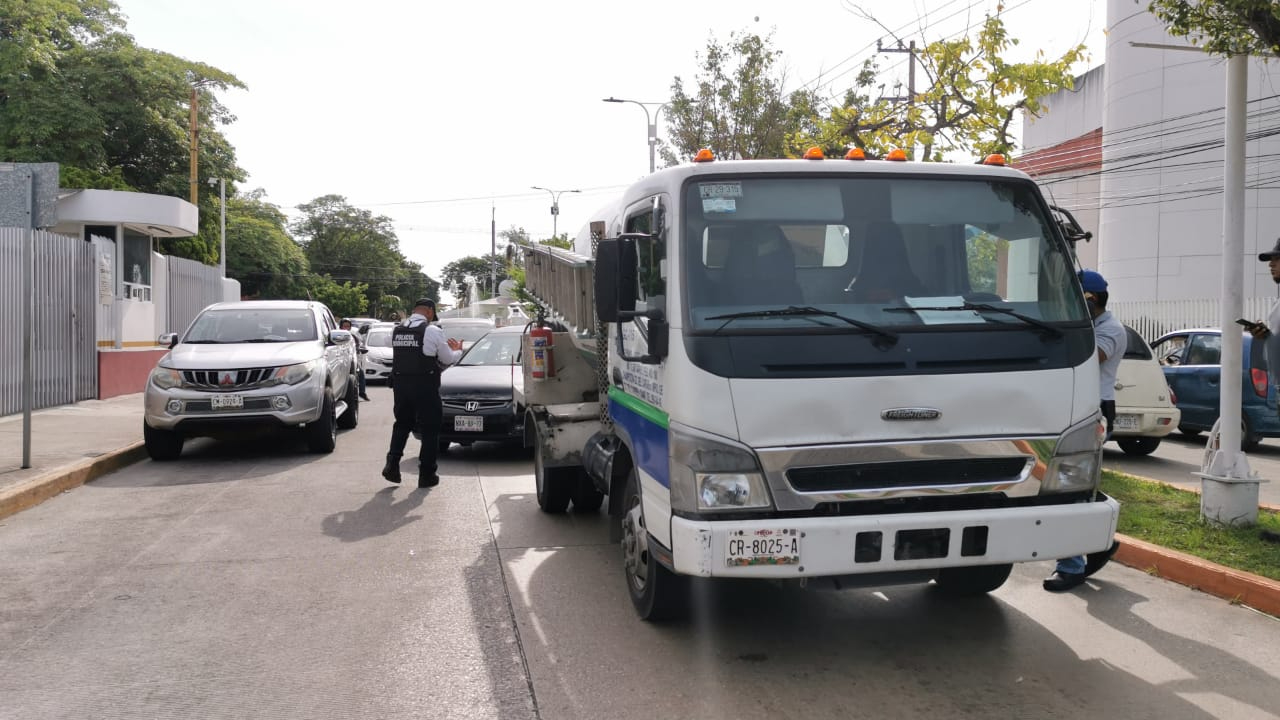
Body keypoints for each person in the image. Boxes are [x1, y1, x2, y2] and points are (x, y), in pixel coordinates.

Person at [1044, 269, 1126, 593]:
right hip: (1079, 406)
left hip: (1095, 409)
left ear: (1090, 299)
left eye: (1076, 299)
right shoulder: (1092, 325)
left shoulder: (1110, 330)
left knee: (1069, 488)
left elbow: (1089, 359)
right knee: (1079, 487)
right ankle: (1098, 544)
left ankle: (1072, 566)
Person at [382, 299, 462, 488]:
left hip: (401, 386)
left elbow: (391, 346)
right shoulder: (431, 331)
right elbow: (447, 358)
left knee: (402, 424)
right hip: (425, 385)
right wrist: (457, 351)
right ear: (429, 311)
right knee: (430, 429)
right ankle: (427, 474)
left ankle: (392, 464)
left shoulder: (397, 329)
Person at [1247, 238, 1280, 389]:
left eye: (1277, 259)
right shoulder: (1277, 303)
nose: (1271, 264)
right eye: (1271, 260)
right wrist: (1265, 334)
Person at [339, 319, 371, 401]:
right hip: (338, 361)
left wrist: (359, 349)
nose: (346, 328)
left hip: (351, 360)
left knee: (361, 373)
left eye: (348, 326)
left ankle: (362, 392)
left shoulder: (353, 337)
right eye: (344, 326)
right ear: (340, 327)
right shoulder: (336, 336)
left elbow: (359, 345)